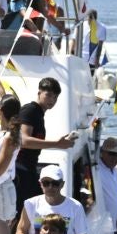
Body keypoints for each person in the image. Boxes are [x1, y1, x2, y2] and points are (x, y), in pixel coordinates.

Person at [12, 78, 76, 221]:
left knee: (38, 207)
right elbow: (23, 140)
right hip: (20, 170)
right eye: (48, 95)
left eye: (55, 97)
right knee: (25, 210)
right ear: (39, 93)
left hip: (29, 168)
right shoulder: (30, 111)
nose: (51, 100)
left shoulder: (39, 114)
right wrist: (57, 144)